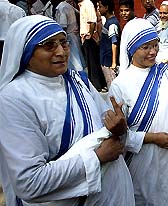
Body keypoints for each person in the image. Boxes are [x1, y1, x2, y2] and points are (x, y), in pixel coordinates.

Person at [0, 15, 135, 206]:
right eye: (49, 45)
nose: (61, 52)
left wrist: (119, 128)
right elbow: (29, 182)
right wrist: (96, 158)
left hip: (111, 193)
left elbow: (107, 126)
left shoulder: (78, 80)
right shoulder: (14, 98)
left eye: (64, 43)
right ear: (26, 51)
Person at [108, 18, 168, 206]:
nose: (153, 51)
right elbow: (118, 137)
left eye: (155, 45)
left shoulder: (167, 73)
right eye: (145, 47)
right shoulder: (120, 85)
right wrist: (152, 138)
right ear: (131, 49)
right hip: (143, 166)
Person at [78, 0, 106, 91]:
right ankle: (99, 84)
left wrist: (89, 36)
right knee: (92, 62)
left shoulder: (87, 4)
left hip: (90, 38)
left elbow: (92, 22)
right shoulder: (82, 5)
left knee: (92, 62)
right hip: (86, 37)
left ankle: (96, 85)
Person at [55, 0, 87, 71]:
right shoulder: (68, 6)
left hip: (69, 37)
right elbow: (79, 14)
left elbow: (63, 26)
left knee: (75, 62)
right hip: (74, 35)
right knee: (78, 60)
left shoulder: (62, 8)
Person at [98, 0, 120, 89]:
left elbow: (114, 43)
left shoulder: (112, 24)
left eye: (100, 6)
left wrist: (113, 63)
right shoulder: (108, 22)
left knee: (112, 86)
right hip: (105, 59)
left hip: (109, 61)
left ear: (106, 7)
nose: (99, 9)